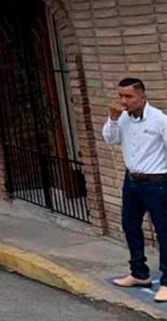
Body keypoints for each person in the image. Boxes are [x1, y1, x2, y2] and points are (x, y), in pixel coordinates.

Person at [103, 77, 167, 302]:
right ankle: (139, 273)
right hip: (131, 182)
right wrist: (112, 119)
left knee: (164, 231)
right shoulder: (121, 119)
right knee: (130, 226)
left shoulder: (160, 120)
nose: (124, 101)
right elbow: (110, 139)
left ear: (142, 96)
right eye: (120, 96)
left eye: (128, 96)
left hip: (156, 182)